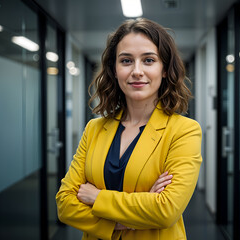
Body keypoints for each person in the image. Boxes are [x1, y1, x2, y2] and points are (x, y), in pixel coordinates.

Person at [56, 18, 202, 240]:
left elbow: (166, 210)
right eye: (126, 61)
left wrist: (97, 197)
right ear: (114, 70)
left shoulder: (184, 131)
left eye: (149, 60)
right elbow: (65, 204)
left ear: (164, 69)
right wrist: (128, 218)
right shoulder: (94, 129)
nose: (137, 71)